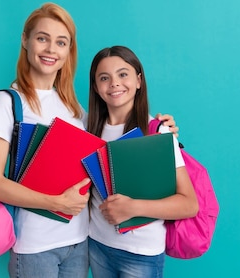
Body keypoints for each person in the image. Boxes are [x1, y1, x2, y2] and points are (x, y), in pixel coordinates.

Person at [0, 3, 178, 278]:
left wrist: (163, 129)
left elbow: (104, 157)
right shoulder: (8, 103)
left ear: (68, 51)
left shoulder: (74, 109)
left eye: (61, 42)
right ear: (25, 40)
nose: (51, 49)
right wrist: (57, 203)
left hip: (80, 244)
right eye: (42, 38)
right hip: (36, 246)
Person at [86, 45, 199, 277]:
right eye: (104, 78)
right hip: (96, 245)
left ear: (139, 80)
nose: (115, 83)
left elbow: (189, 204)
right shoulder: (87, 129)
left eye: (123, 74)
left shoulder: (157, 133)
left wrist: (132, 208)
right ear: (96, 88)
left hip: (141, 253)